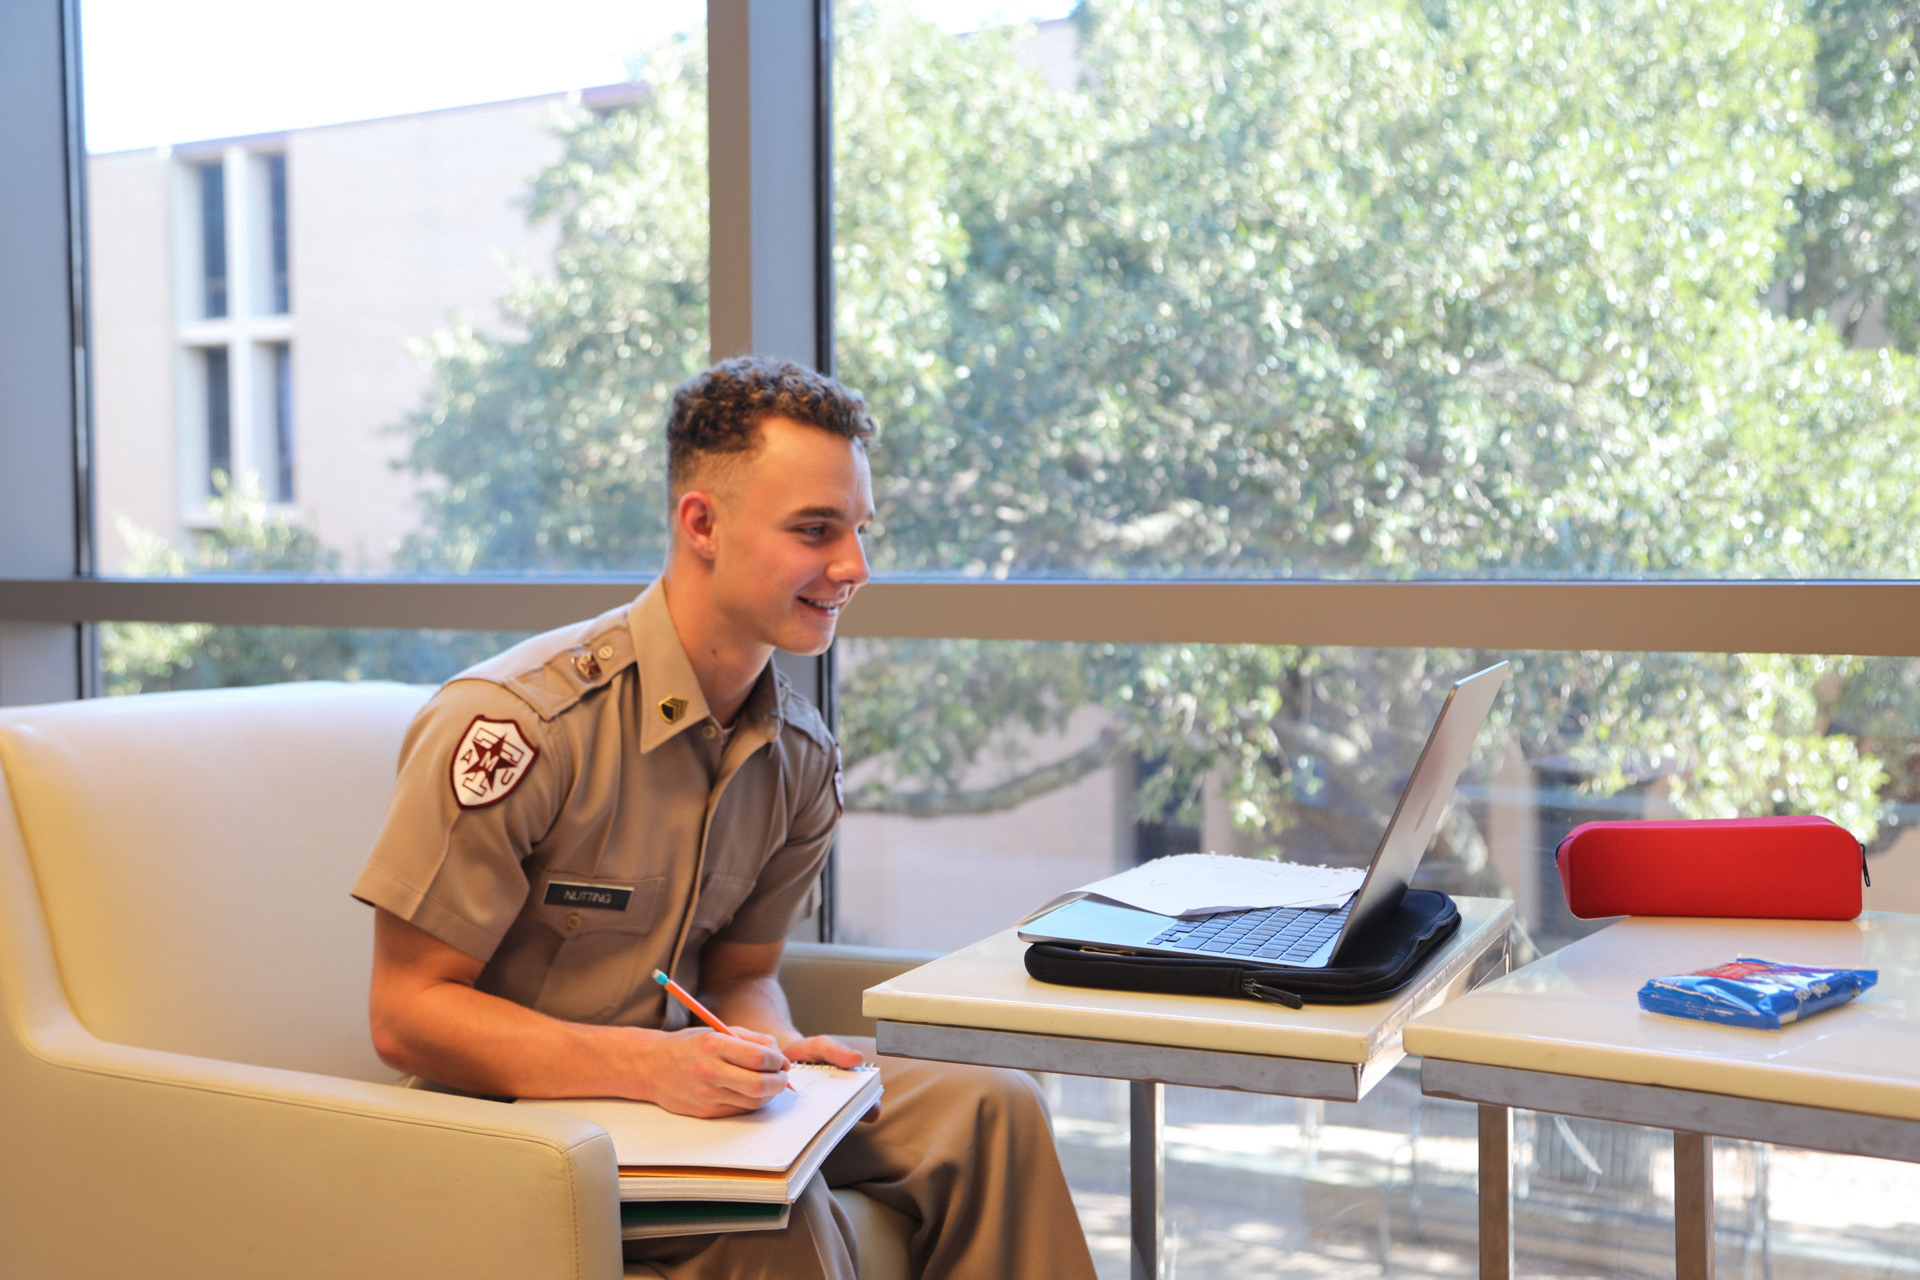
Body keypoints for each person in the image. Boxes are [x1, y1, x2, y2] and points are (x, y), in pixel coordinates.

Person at [352, 357, 1097, 1280]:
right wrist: (649, 1068)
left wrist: (769, 1045)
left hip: (683, 1102)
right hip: (514, 1126)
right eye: (816, 531)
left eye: (860, 531)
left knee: (994, 1106)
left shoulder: (799, 756)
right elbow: (407, 1016)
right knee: (772, 1212)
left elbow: (744, 975)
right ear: (702, 523)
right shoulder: (519, 726)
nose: (855, 567)